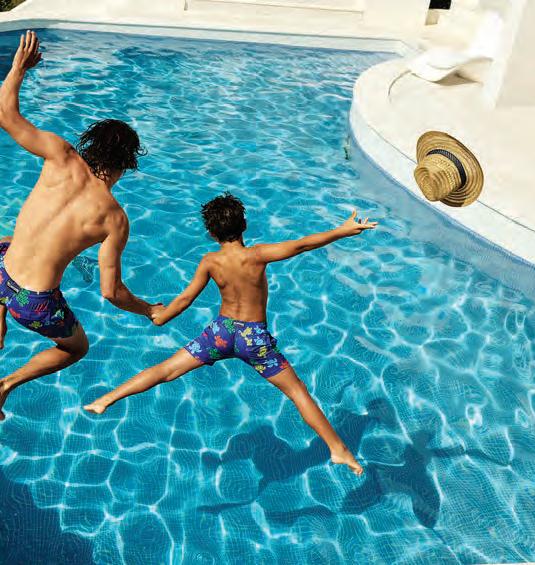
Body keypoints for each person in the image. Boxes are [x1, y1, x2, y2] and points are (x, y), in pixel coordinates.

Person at [85, 194, 378, 475]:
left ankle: (107, 398)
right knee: (297, 391)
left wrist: (162, 315)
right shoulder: (257, 255)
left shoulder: (210, 261)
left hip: (221, 333)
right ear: (244, 225)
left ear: (211, 234)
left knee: (166, 370)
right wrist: (341, 231)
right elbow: (301, 245)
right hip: (254, 339)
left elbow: (185, 299)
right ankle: (338, 448)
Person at [0, 31, 161, 420]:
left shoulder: (60, 154)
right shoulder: (114, 218)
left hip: (1, 269)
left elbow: (5, 115)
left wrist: (19, 68)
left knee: (8, 240)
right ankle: (4, 385)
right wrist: (148, 309)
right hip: (34, 302)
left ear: (91, 146)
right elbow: (111, 292)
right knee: (76, 348)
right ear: (126, 164)